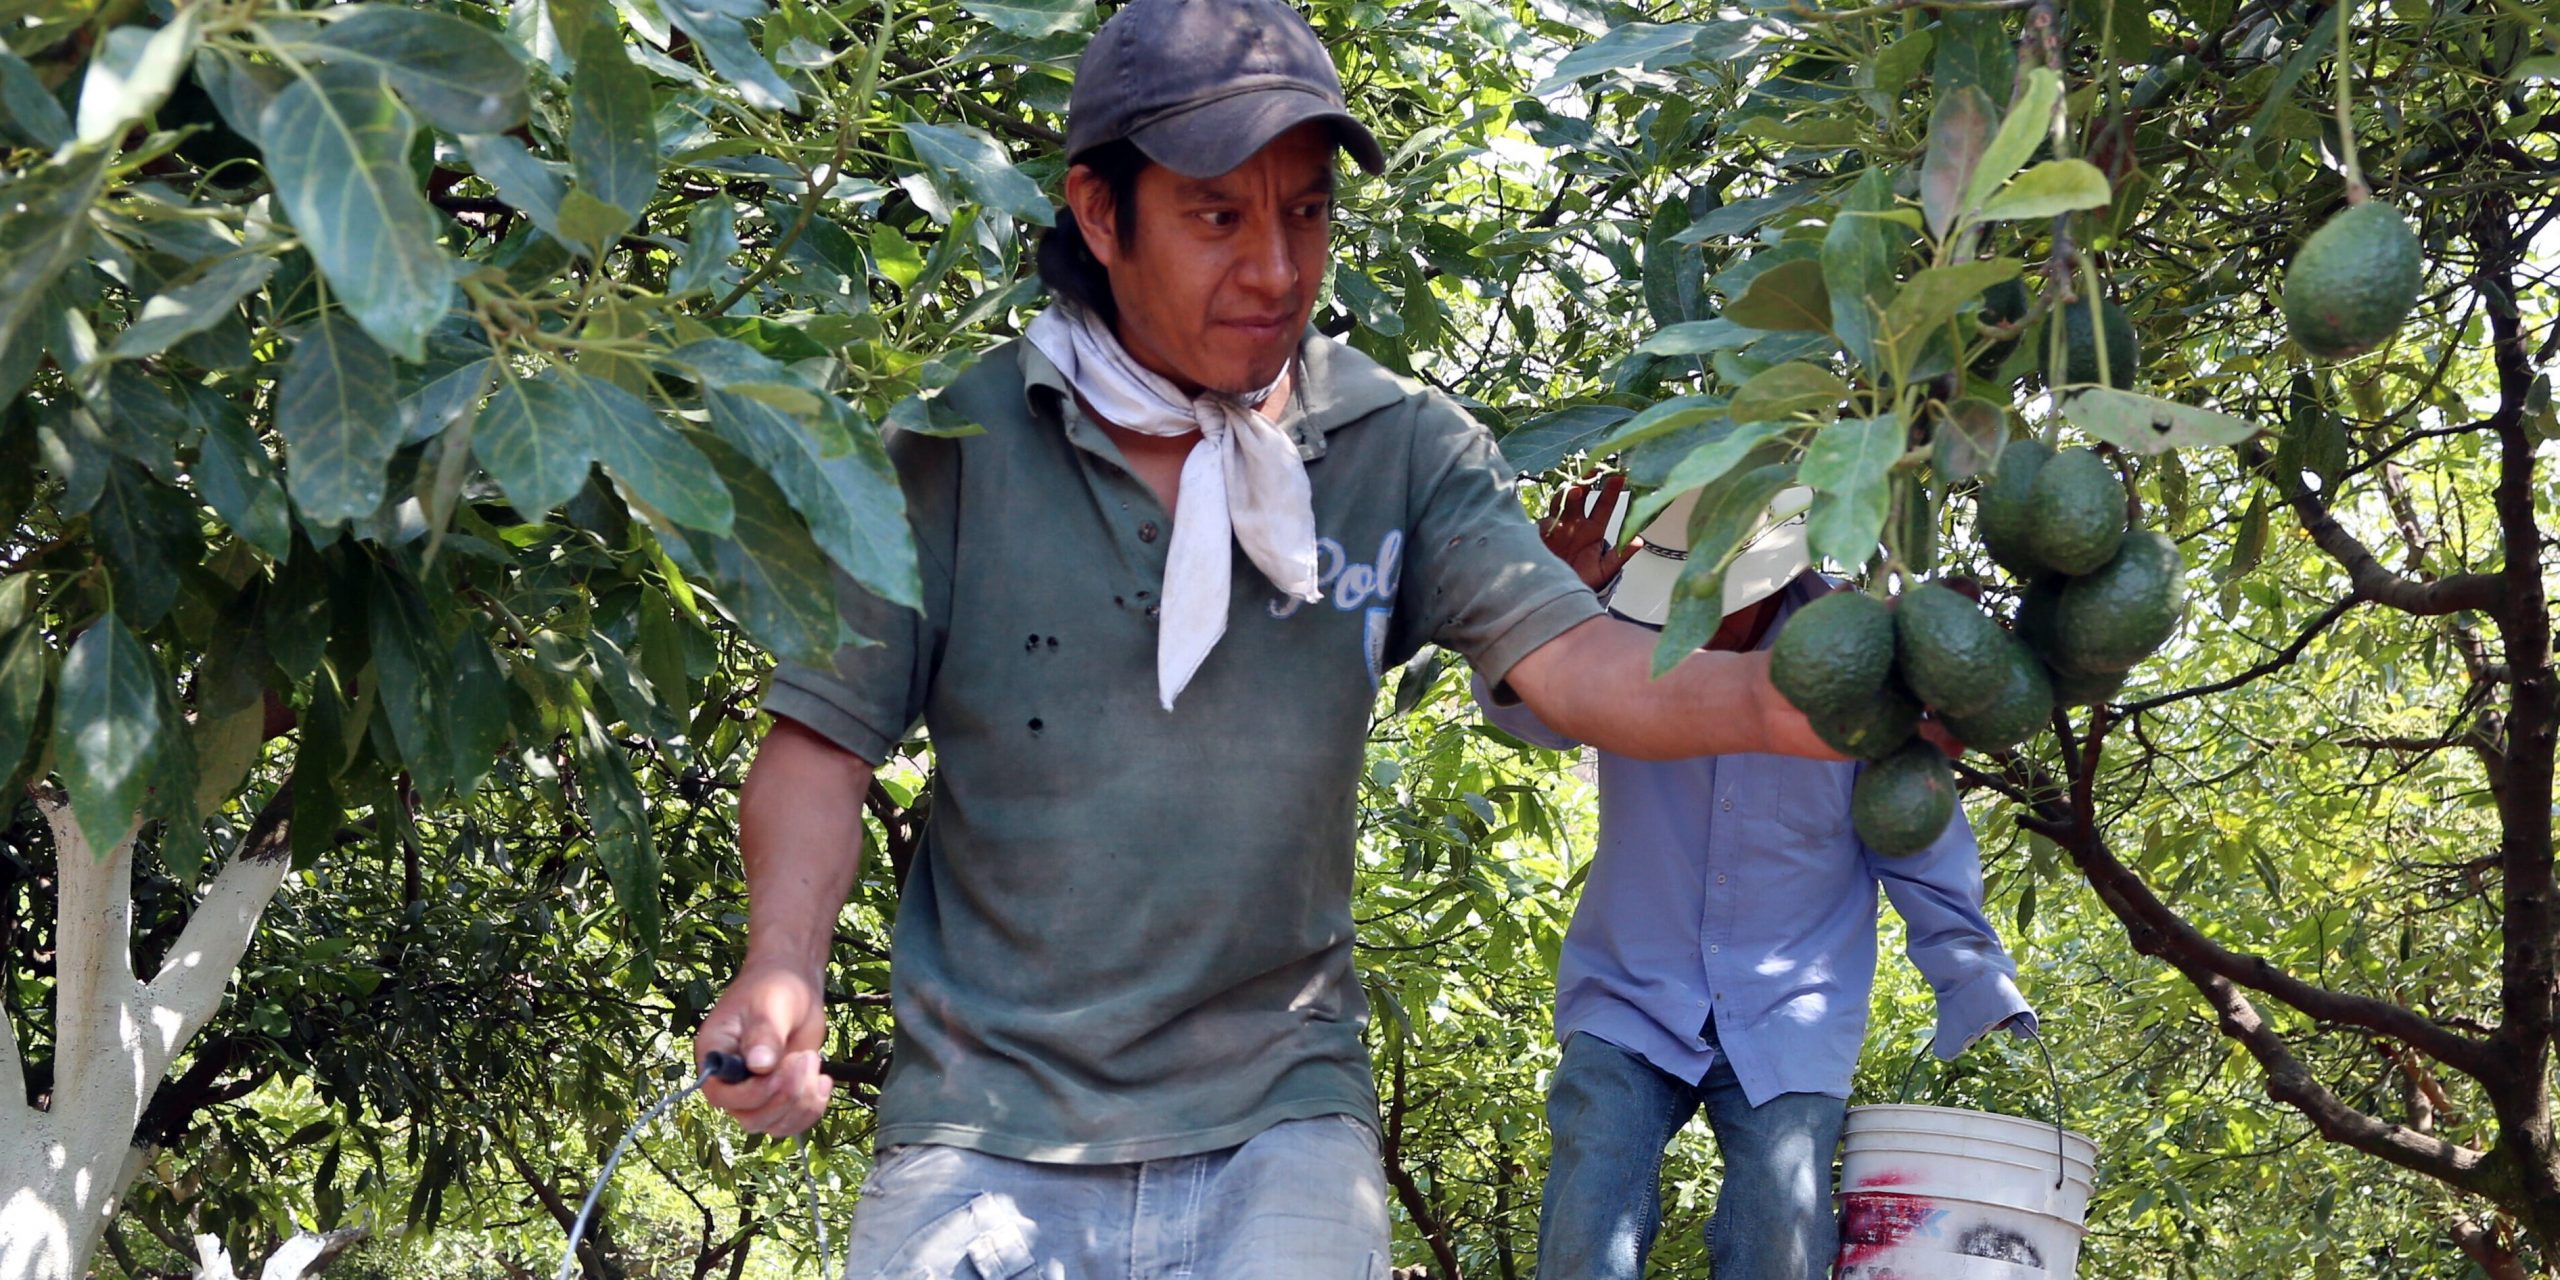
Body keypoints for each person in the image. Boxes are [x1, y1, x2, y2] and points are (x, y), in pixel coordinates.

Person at [688, 1, 1886, 1273]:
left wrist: (1778, 704)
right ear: (1100, 214)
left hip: (1281, 1111)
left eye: (1305, 212)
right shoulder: (952, 449)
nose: (1274, 268)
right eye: (1218, 217)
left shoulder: (1399, 448)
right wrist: (782, 965)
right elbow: (823, 737)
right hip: (984, 1122)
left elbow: (1575, 658)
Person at [1476, 475, 2037, 1280]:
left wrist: (1970, 973)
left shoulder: (1868, 663)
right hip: (1632, 990)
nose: (1694, 624)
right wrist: (1548, 603)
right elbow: (1526, 716)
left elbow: (1914, 831)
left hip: (1792, 1010)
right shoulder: (1620, 627)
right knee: (1587, 1214)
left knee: (1779, 1235)